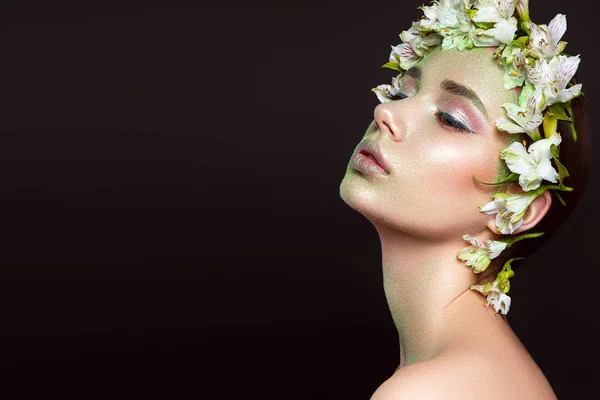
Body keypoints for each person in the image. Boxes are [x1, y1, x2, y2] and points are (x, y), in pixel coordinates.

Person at [338, 1, 590, 398]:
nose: (385, 110)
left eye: (451, 119)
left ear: (517, 206)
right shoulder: (480, 372)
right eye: (402, 91)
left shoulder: (429, 390)